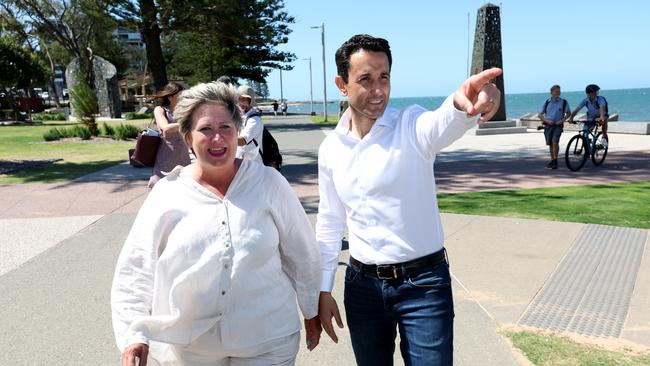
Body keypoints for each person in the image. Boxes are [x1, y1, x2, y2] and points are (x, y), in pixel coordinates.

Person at [316, 34, 501, 366]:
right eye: (365, 79)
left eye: (384, 77)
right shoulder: (331, 149)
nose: (378, 90)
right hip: (363, 288)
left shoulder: (411, 124)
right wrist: (322, 288)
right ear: (342, 85)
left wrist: (463, 103)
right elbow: (330, 221)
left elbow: (441, 124)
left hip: (424, 286)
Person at [112, 82, 322, 366]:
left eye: (226, 127)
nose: (217, 138)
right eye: (205, 129)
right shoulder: (167, 193)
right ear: (187, 138)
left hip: (268, 339)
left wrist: (311, 308)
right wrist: (133, 334)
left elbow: (302, 251)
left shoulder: (269, 183)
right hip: (189, 347)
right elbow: (136, 268)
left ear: (238, 132)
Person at [148, 82, 191, 188]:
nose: (183, 98)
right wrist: (187, 123)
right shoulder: (160, 110)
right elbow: (166, 128)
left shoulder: (184, 112)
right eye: (180, 95)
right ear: (170, 96)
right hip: (166, 157)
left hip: (183, 156)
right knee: (161, 188)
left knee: (184, 189)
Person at [538, 85, 571, 169]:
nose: (558, 93)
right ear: (551, 92)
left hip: (558, 125)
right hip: (548, 125)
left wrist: (561, 121)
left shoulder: (563, 102)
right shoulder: (547, 102)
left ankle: (555, 161)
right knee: (550, 144)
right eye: (556, 91)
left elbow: (568, 114)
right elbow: (540, 115)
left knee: (555, 142)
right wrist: (547, 121)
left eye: (559, 91)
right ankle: (552, 160)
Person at [236, 85, 264, 162]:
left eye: (245, 99)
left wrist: (221, 140)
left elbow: (242, 141)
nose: (241, 101)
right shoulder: (240, 117)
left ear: (250, 101)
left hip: (253, 166)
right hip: (240, 163)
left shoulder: (255, 120)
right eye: (240, 98)